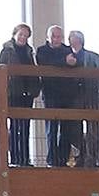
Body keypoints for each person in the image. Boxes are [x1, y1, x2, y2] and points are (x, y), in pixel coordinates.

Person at [0, 24, 39, 168]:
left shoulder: (29, 51)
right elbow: (1, 71)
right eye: (21, 34)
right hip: (13, 92)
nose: (23, 38)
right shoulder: (6, 51)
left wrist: (34, 89)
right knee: (15, 126)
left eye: (26, 36)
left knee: (26, 126)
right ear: (15, 34)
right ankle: (15, 158)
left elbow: (33, 70)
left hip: (27, 93)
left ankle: (25, 158)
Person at [36, 25, 74, 167]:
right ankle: (52, 160)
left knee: (66, 128)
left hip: (67, 94)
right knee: (51, 128)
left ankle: (63, 160)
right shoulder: (41, 51)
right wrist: (65, 62)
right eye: (53, 36)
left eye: (59, 36)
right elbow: (47, 64)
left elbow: (73, 65)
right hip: (51, 93)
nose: (56, 39)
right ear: (48, 37)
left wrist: (70, 62)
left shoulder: (67, 50)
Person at [68, 31, 99, 169]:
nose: (73, 40)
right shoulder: (67, 55)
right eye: (72, 38)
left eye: (76, 38)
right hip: (74, 95)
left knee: (92, 128)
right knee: (75, 128)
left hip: (90, 94)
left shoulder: (91, 55)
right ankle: (80, 156)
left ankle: (92, 158)